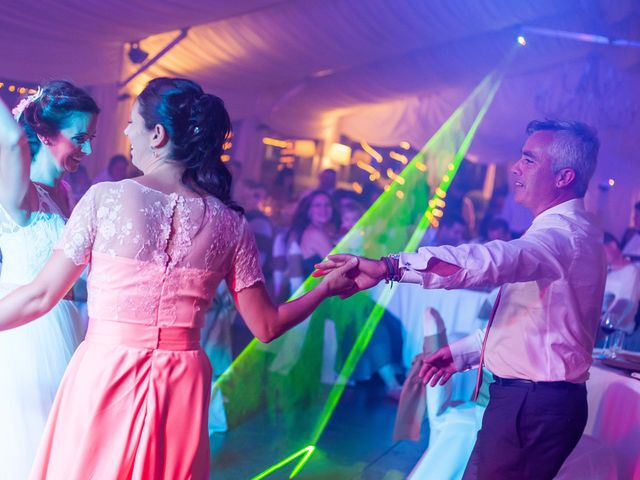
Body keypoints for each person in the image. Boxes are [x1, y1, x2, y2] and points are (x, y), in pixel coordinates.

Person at [0, 77, 357, 479]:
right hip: (182, 379)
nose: (125, 131)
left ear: (157, 134)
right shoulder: (232, 224)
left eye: (132, 122)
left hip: (105, 370)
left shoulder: (105, 199)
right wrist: (324, 289)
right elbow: (267, 326)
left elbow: (40, 296)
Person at [316, 120, 606, 480]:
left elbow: (490, 260)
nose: (515, 167)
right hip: (531, 401)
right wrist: (466, 352)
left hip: (531, 404)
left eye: (529, 160)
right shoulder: (569, 231)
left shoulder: (565, 235)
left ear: (563, 178)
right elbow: (538, 324)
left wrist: (391, 266)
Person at [0, 81, 99, 479]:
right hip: (28, 337)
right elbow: (10, 141)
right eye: (80, 138)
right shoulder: (18, 195)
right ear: (44, 134)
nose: (88, 150)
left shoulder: (66, 192)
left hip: (69, 328)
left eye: (91, 139)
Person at [602, 232, 640, 335]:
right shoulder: (604, 273)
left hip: (617, 333)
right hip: (599, 331)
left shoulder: (631, 271)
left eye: (600, 249)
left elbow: (625, 302)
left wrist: (603, 325)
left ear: (613, 246)